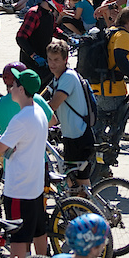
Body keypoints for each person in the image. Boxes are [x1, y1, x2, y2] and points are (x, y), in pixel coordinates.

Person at [0, 68, 49, 258]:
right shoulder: (39, 111)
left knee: (18, 237)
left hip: (18, 189)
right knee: (39, 230)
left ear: (22, 89)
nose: (10, 88)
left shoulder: (20, 119)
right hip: (35, 185)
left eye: (14, 85)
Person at [92, 6, 129, 162]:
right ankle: (105, 162)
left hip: (97, 86)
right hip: (112, 89)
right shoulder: (124, 36)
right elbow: (120, 58)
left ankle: (95, 164)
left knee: (98, 129)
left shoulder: (111, 31)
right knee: (115, 129)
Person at [47, 39, 95, 187]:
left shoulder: (68, 77)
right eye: (49, 59)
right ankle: (77, 208)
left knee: (80, 182)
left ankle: (90, 208)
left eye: (56, 60)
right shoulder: (58, 78)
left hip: (79, 137)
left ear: (65, 59)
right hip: (71, 135)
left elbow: (53, 105)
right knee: (71, 181)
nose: (52, 64)